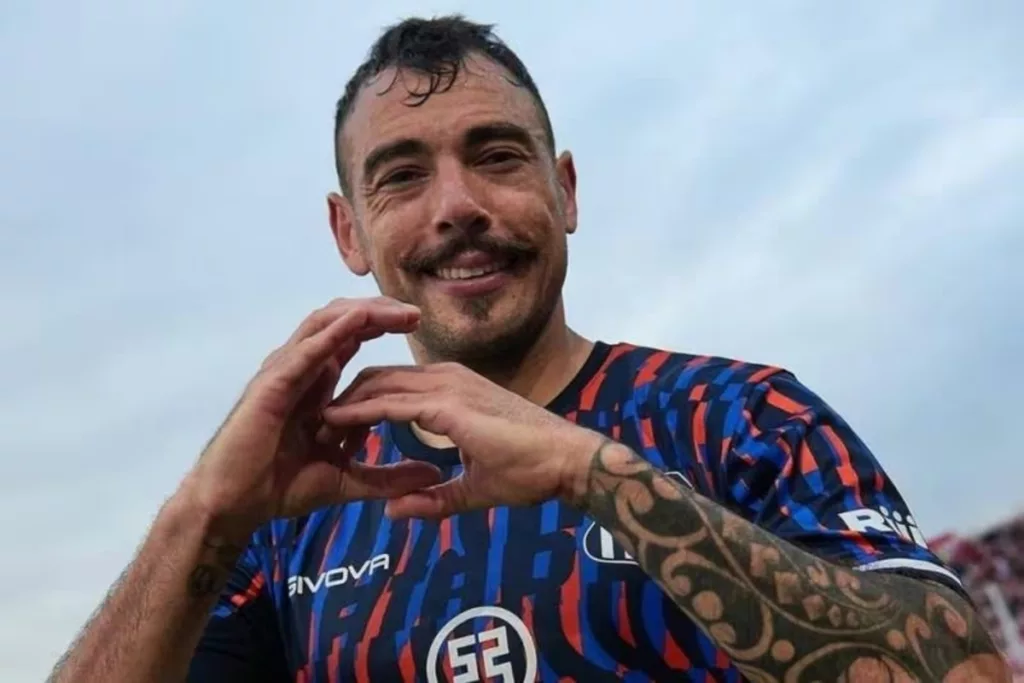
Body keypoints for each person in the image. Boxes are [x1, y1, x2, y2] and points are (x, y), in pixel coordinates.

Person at [49, 14, 1010, 683]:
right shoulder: (297, 515)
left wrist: (593, 470)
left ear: (567, 193)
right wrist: (202, 513)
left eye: (498, 157)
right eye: (402, 176)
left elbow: (961, 668)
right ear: (350, 234)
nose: (458, 206)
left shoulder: (747, 418)